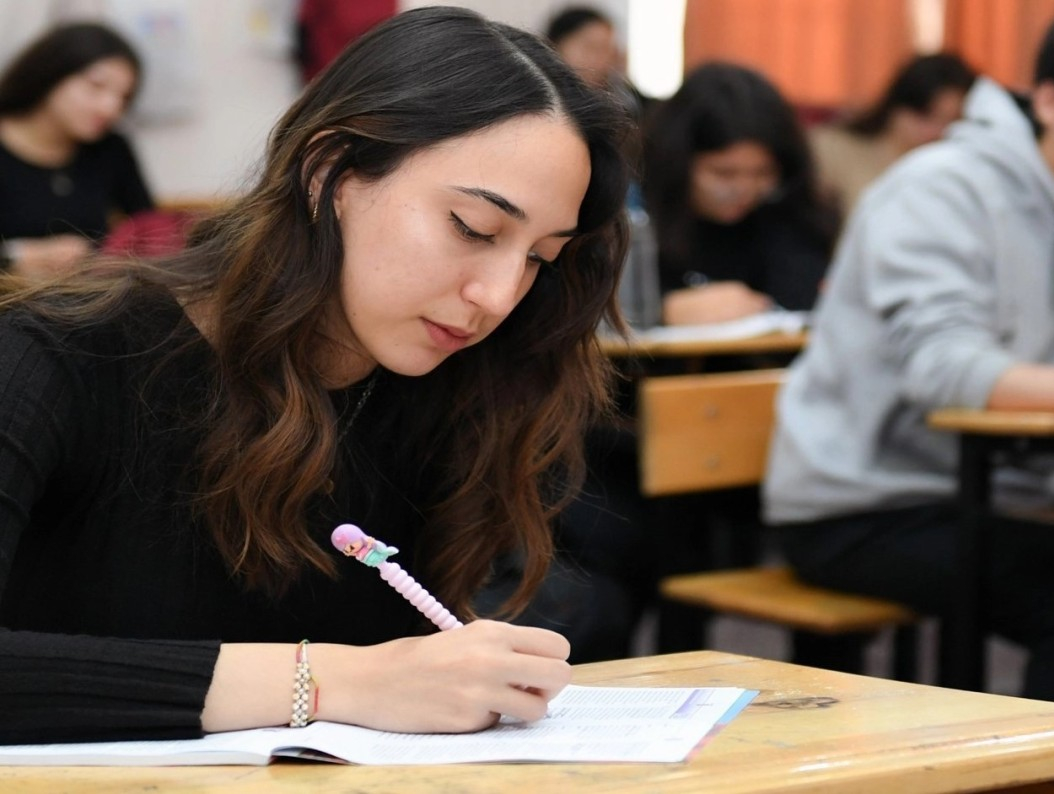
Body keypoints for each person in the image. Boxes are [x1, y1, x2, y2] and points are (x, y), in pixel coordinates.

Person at [0, 6, 629, 744]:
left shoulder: (452, 393)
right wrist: (340, 682)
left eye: (537, 258)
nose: (497, 295)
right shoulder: (55, 357)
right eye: (475, 229)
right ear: (329, 172)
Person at [764, 0, 1054, 710]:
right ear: (1052, 100)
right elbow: (944, 372)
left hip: (1008, 497)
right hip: (863, 502)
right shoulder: (942, 188)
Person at [642, 63, 837, 326]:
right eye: (723, 174)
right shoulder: (635, 219)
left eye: (762, 173)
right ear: (677, 163)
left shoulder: (789, 212)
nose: (744, 191)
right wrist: (662, 311)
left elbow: (809, 300)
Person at [0, 22, 153, 278]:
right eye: (96, 86)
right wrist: (17, 254)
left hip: (87, 307)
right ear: (51, 73)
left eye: (123, 97)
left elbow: (150, 229)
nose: (110, 108)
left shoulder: (112, 148)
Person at [810, 52, 976, 216]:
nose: (936, 132)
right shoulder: (834, 148)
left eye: (951, 122)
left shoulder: (960, 173)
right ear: (896, 106)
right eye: (925, 116)